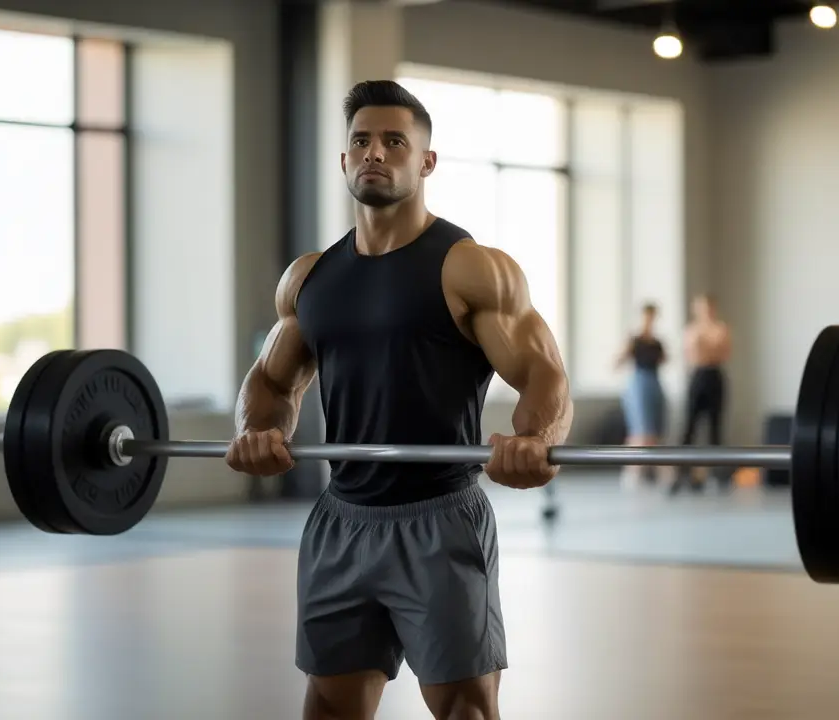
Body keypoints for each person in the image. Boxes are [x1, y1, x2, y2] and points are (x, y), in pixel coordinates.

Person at [224, 80, 572, 720]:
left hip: (440, 519)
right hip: (341, 520)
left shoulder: (471, 267)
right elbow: (271, 381)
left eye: (394, 142)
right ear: (344, 160)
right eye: (361, 141)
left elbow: (543, 374)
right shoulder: (309, 278)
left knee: (465, 709)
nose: (375, 153)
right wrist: (257, 430)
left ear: (426, 161)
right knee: (330, 707)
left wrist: (535, 440)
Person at [675, 293, 731, 492]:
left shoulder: (720, 329)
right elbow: (690, 355)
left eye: (708, 307)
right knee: (689, 427)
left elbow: (723, 353)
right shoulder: (691, 330)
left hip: (714, 376)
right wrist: (705, 348)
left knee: (715, 428)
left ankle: (716, 475)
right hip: (697, 376)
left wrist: (705, 348)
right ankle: (682, 474)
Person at [615, 303, 666, 488]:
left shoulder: (657, 343)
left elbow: (665, 360)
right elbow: (618, 362)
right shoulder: (634, 340)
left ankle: (655, 472)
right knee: (640, 430)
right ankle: (632, 472)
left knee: (654, 432)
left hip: (654, 382)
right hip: (639, 383)